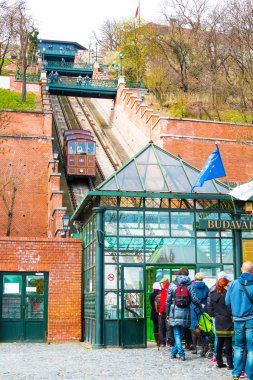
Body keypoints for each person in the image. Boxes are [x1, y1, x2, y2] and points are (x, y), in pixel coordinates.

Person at [166, 267, 203, 360]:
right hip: (186, 312)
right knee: (180, 333)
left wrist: (167, 313)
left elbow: (168, 301)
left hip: (174, 311)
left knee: (177, 334)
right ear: (187, 274)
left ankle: (181, 354)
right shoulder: (190, 285)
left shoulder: (172, 284)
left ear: (178, 274)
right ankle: (173, 353)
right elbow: (194, 299)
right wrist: (200, 306)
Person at [225, 261, 253, 380]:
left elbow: (227, 302)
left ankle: (236, 373)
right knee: (251, 348)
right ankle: (249, 374)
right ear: (252, 271)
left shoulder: (233, 284)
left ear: (242, 269)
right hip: (251, 319)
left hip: (237, 320)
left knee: (239, 346)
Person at [207, 276, 233, 369]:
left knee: (219, 342)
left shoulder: (213, 294)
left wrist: (214, 315)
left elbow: (209, 308)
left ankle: (219, 362)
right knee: (228, 342)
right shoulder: (227, 294)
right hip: (227, 320)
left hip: (218, 320)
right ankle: (230, 364)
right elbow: (230, 307)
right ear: (225, 285)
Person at [190, 272, 209, 354]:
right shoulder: (206, 287)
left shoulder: (192, 286)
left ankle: (195, 348)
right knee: (204, 327)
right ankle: (205, 346)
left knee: (195, 328)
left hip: (194, 308)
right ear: (202, 278)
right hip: (203, 308)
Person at [158, 276, 170, 347]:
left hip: (164, 312)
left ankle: (163, 342)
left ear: (163, 283)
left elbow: (163, 303)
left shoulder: (164, 291)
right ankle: (169, 342)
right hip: (172, 311)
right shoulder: (171, 288)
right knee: (169, 328)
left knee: (162, 327)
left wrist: (160, 311)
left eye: (161, 284)